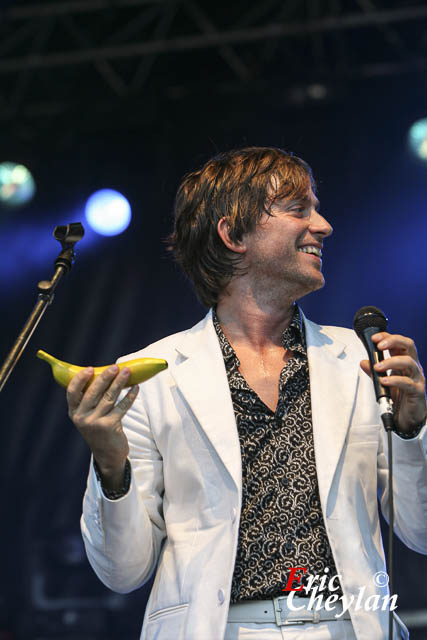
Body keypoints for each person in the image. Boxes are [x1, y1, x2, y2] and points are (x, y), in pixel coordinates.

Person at [67, 147, 427, 640]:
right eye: (299, 209)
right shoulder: (148, 374)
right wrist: (111, 465)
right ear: (233, 234)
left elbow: (420, 533)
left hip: (350, 624)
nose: (323, 225)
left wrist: (411, 432)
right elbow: (123, 571)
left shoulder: (361, 359)